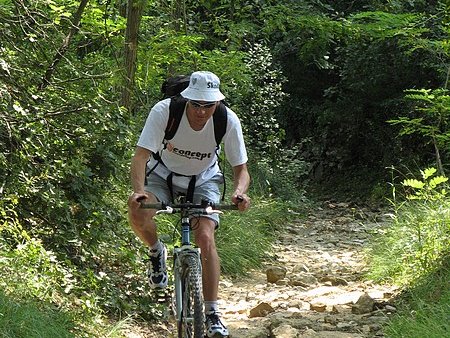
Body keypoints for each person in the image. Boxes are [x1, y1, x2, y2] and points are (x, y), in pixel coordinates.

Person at [127, 70, 251, 338]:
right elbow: (140, 157)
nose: (201, 112)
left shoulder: (226, 120)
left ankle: (213, 312)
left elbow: (241, 169)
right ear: (186, 99)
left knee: (205, 236)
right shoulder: (164, 111)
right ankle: (156, 251)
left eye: (208, 105)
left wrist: (240, 193)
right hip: (162, 176)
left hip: (204, 179)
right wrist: (139, 191)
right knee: (138, 211)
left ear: (217, 103)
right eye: (196, 104)